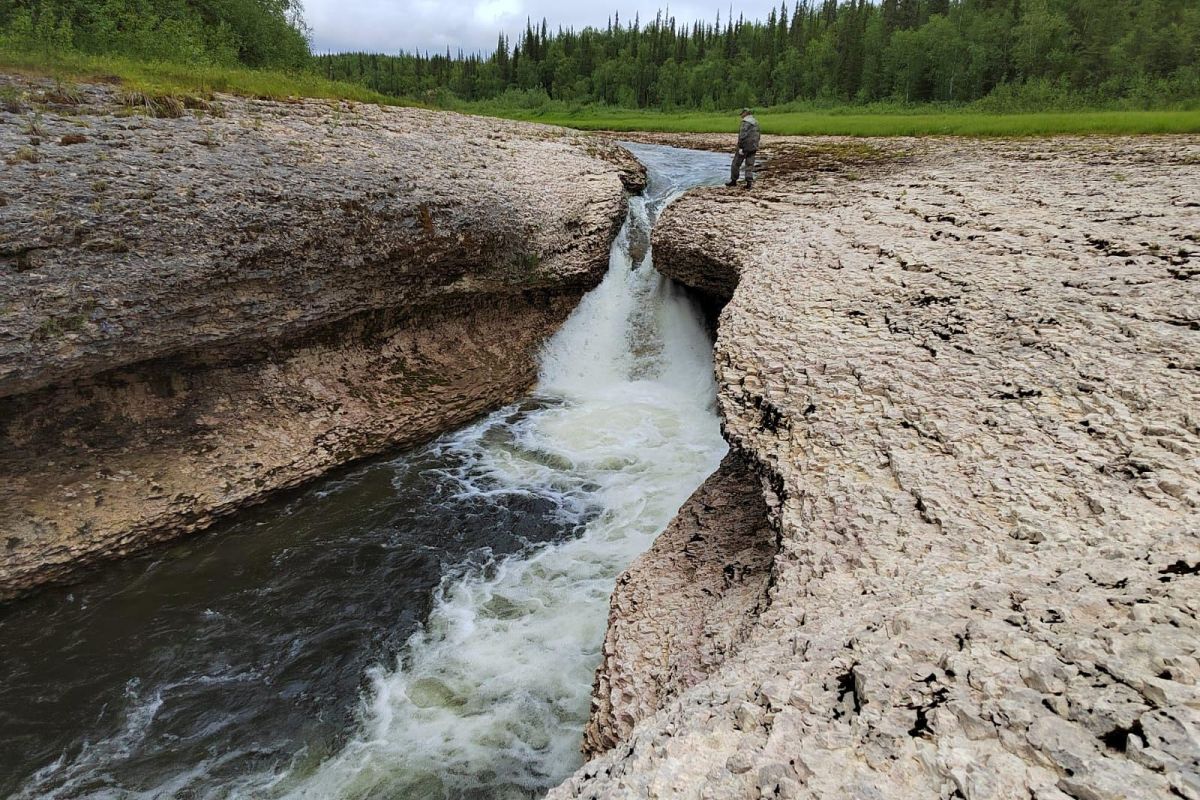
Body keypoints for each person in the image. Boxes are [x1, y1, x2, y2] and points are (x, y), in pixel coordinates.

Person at [727, 107, 760, 189]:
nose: (741, 115)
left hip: (745, 147)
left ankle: (733, 181)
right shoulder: (756, 122)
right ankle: (749, 183)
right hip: (754, 147)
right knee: (749, 165)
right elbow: (758, 135)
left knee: (735, 164)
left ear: (746, 113)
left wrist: (741, 147)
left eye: (742, 113)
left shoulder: (745, 122)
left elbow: (742, 136)